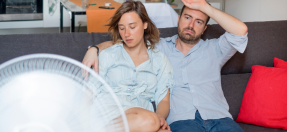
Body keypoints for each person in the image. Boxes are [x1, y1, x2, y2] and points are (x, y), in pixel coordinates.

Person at [83, 0, 248, 131]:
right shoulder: (159, 48)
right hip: (183, 121)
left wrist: (204, 6)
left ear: (205, 28)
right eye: (187, 18)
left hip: (219, 118)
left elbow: (241, 31)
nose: (190, 25)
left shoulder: (215, 49)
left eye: (198, 22)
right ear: (178, 19)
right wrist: (94, 49)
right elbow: (127, 40)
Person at [88, 1, 173, 132]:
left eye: (132, 27)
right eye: (122, 28)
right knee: (151, 121)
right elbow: (90, 90)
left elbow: (164, 100)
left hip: (140, 118)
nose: (126, 34)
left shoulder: (159, 59)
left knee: (157, 126)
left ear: (145, 24)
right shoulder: (108, 54)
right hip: (108, 111)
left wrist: (160, 118)